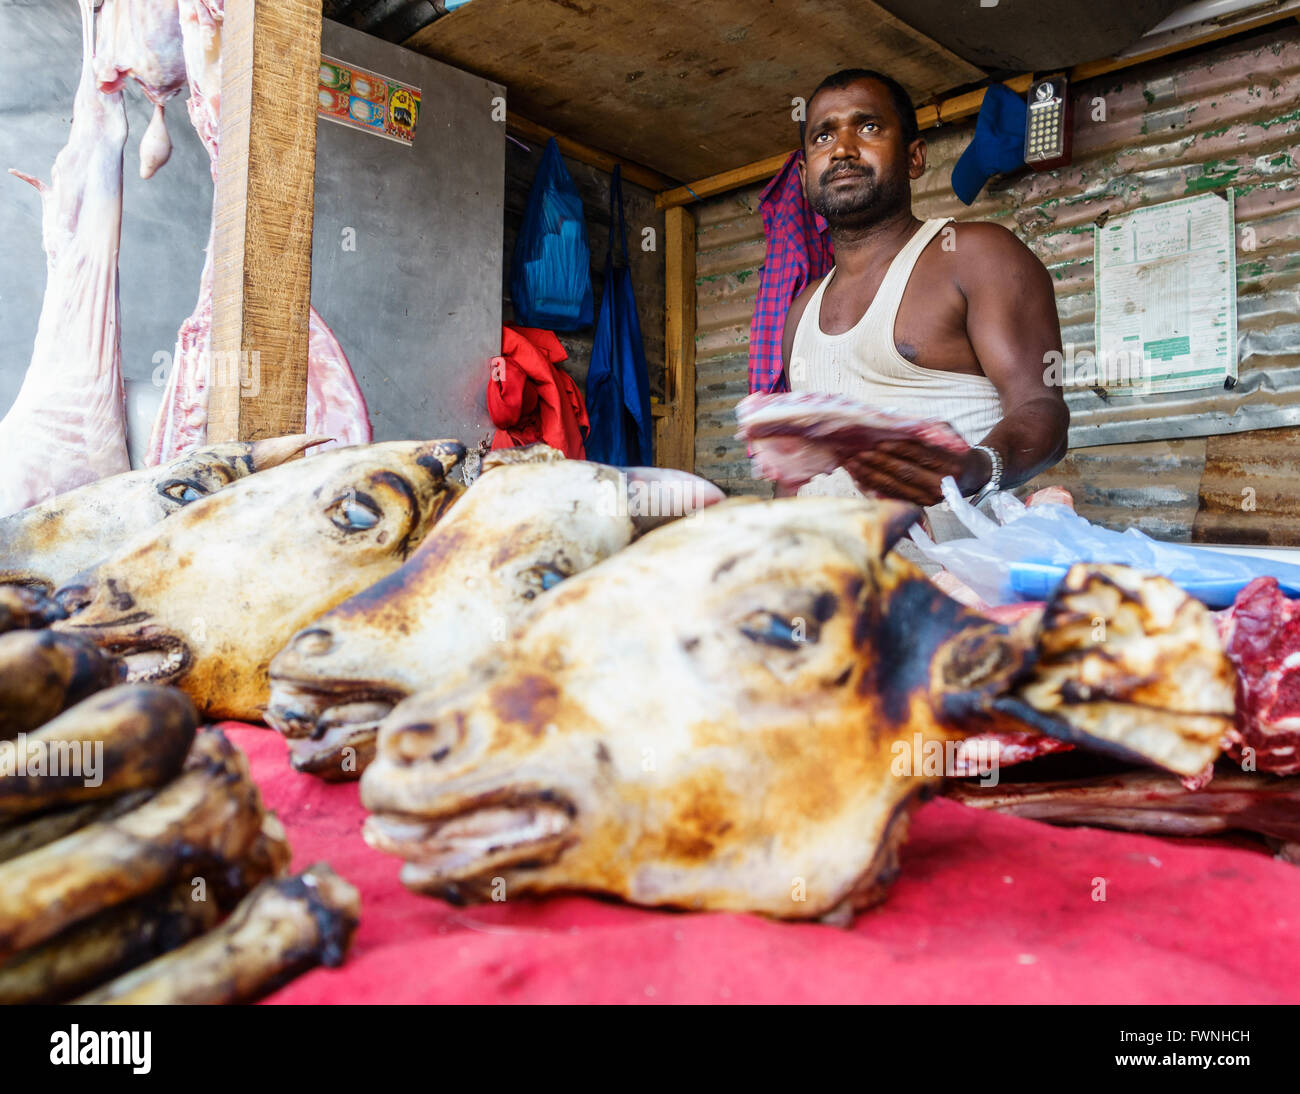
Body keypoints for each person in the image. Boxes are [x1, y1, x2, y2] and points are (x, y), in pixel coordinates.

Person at [779, 68, 1068, 507]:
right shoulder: (801, 312)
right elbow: (796, 470)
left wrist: (972, 467)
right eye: (822, 137)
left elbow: (1041, 410)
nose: (842, 149)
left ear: (915, 157)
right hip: (834, 568)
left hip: (953, 569)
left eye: (868, 127)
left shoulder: (976, 256)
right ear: (803, 176)